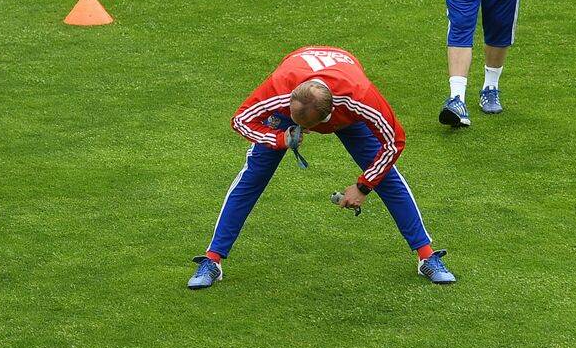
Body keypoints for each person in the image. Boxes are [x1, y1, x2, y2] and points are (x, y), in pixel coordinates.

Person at [188, 46, 456, 289]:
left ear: (326, 118)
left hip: (344, 111)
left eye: (307, 126)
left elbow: (394, 142)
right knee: (252, 177)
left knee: (387, 179)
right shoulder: (281, 90)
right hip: (290, 101)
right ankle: (212, 261)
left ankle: (427, 257)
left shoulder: (359, 98)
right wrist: (280, 137)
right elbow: (241, 121)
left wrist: (364, 185)